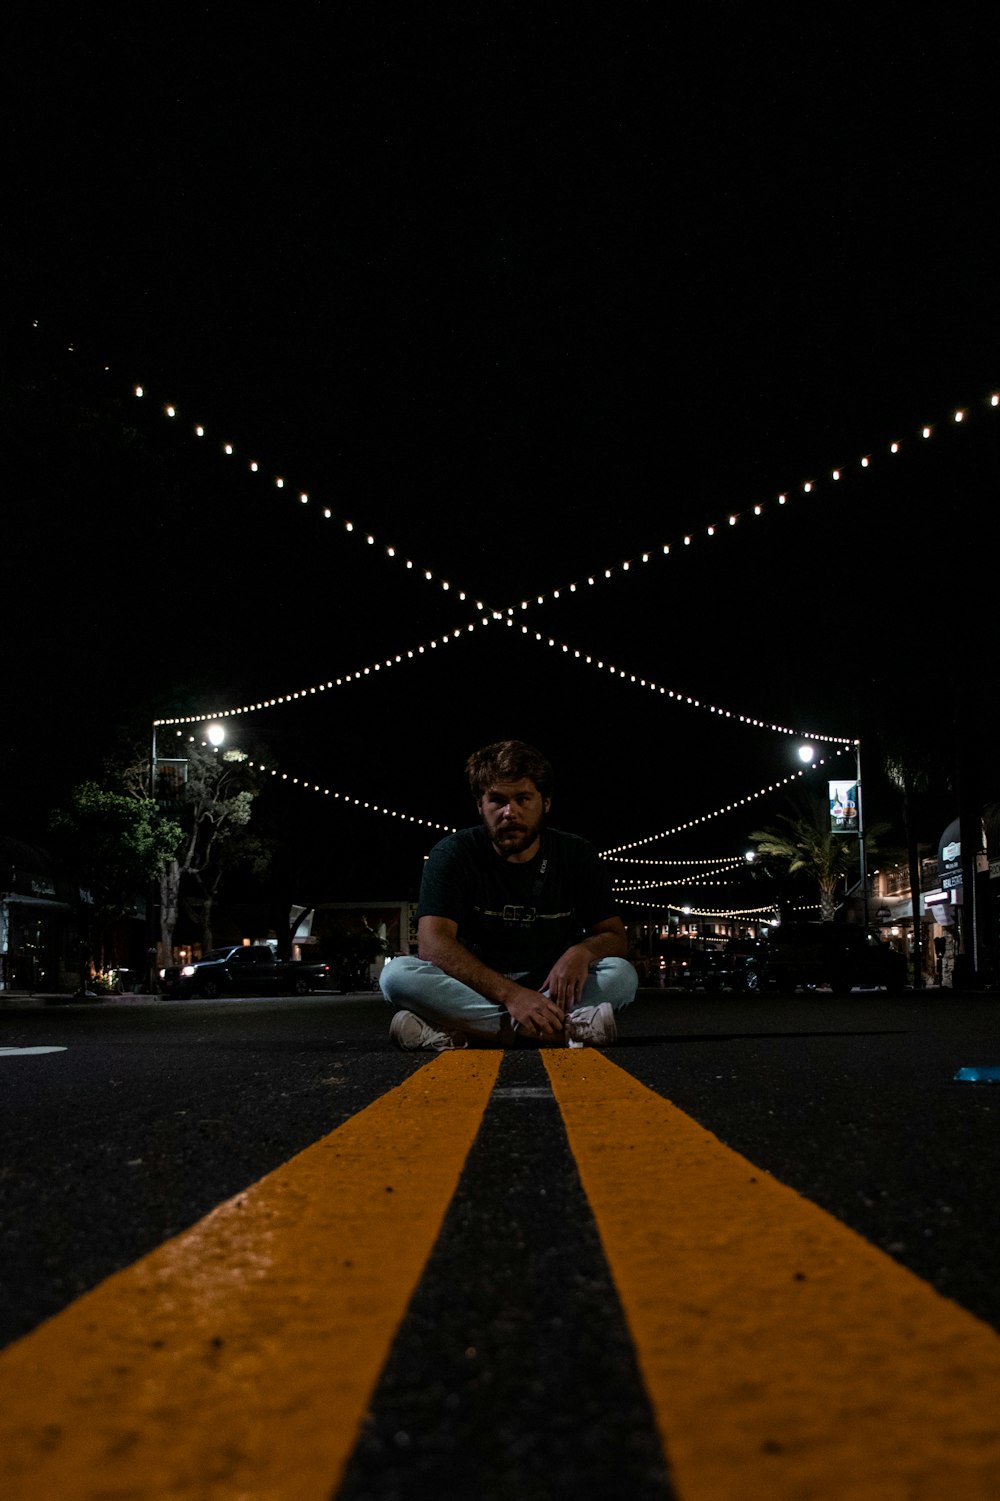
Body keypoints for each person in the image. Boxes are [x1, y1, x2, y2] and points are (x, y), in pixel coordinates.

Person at [380, 739, 637, 1050]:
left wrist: (580, 953)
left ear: (546, 802)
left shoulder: (576, 854)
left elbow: (614, 937)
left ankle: (466, 1032)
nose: (509, 812)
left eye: (523, 799)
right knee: (396, 976)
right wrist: (511, 995)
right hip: (477, 987)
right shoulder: (453, 854)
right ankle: (565, 1029)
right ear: (480, 805)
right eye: (497, 800)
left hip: (550, 987)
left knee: (622, 975)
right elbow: (433, 945)